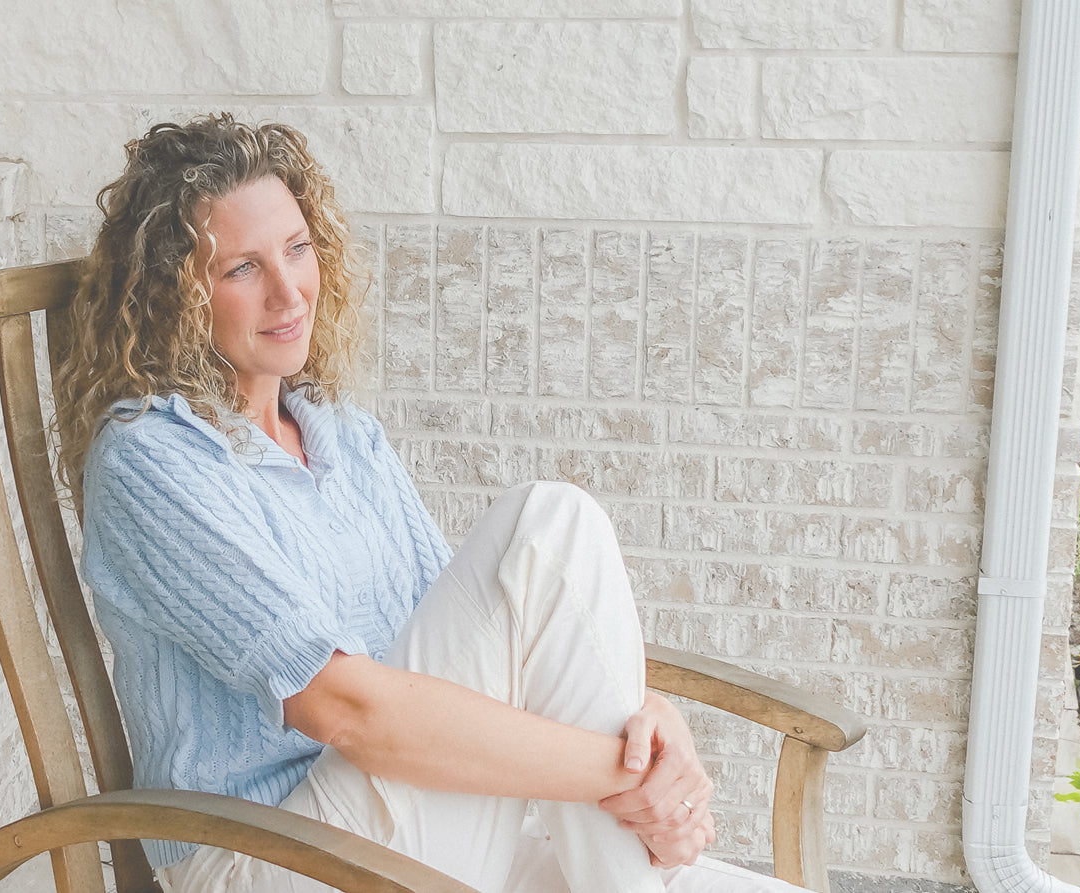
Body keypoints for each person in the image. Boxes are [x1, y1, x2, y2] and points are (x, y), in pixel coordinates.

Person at [55, 113, 805, 893]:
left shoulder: (341, 434)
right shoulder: (151, 458)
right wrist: (625, 773)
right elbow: (349, 711)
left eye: (298, 249)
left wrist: (653, 725)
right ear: (173, 297)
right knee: (550, 525)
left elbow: (509, 641)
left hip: (412, 825)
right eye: (241, 268)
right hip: (273, 856)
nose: (288, 292)